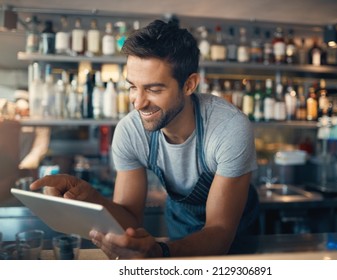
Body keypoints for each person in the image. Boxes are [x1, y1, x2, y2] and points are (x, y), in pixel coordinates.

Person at [30, 19, 259, 259]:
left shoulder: (228, 127)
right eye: (132, 87)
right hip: (178, 232)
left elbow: (220, 232)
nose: (138, 103)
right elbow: (129, 217)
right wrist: (92, 199)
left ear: (189, 85)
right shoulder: (130, 131)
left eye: (154, 89)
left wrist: (159, 251)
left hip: (237, 240)